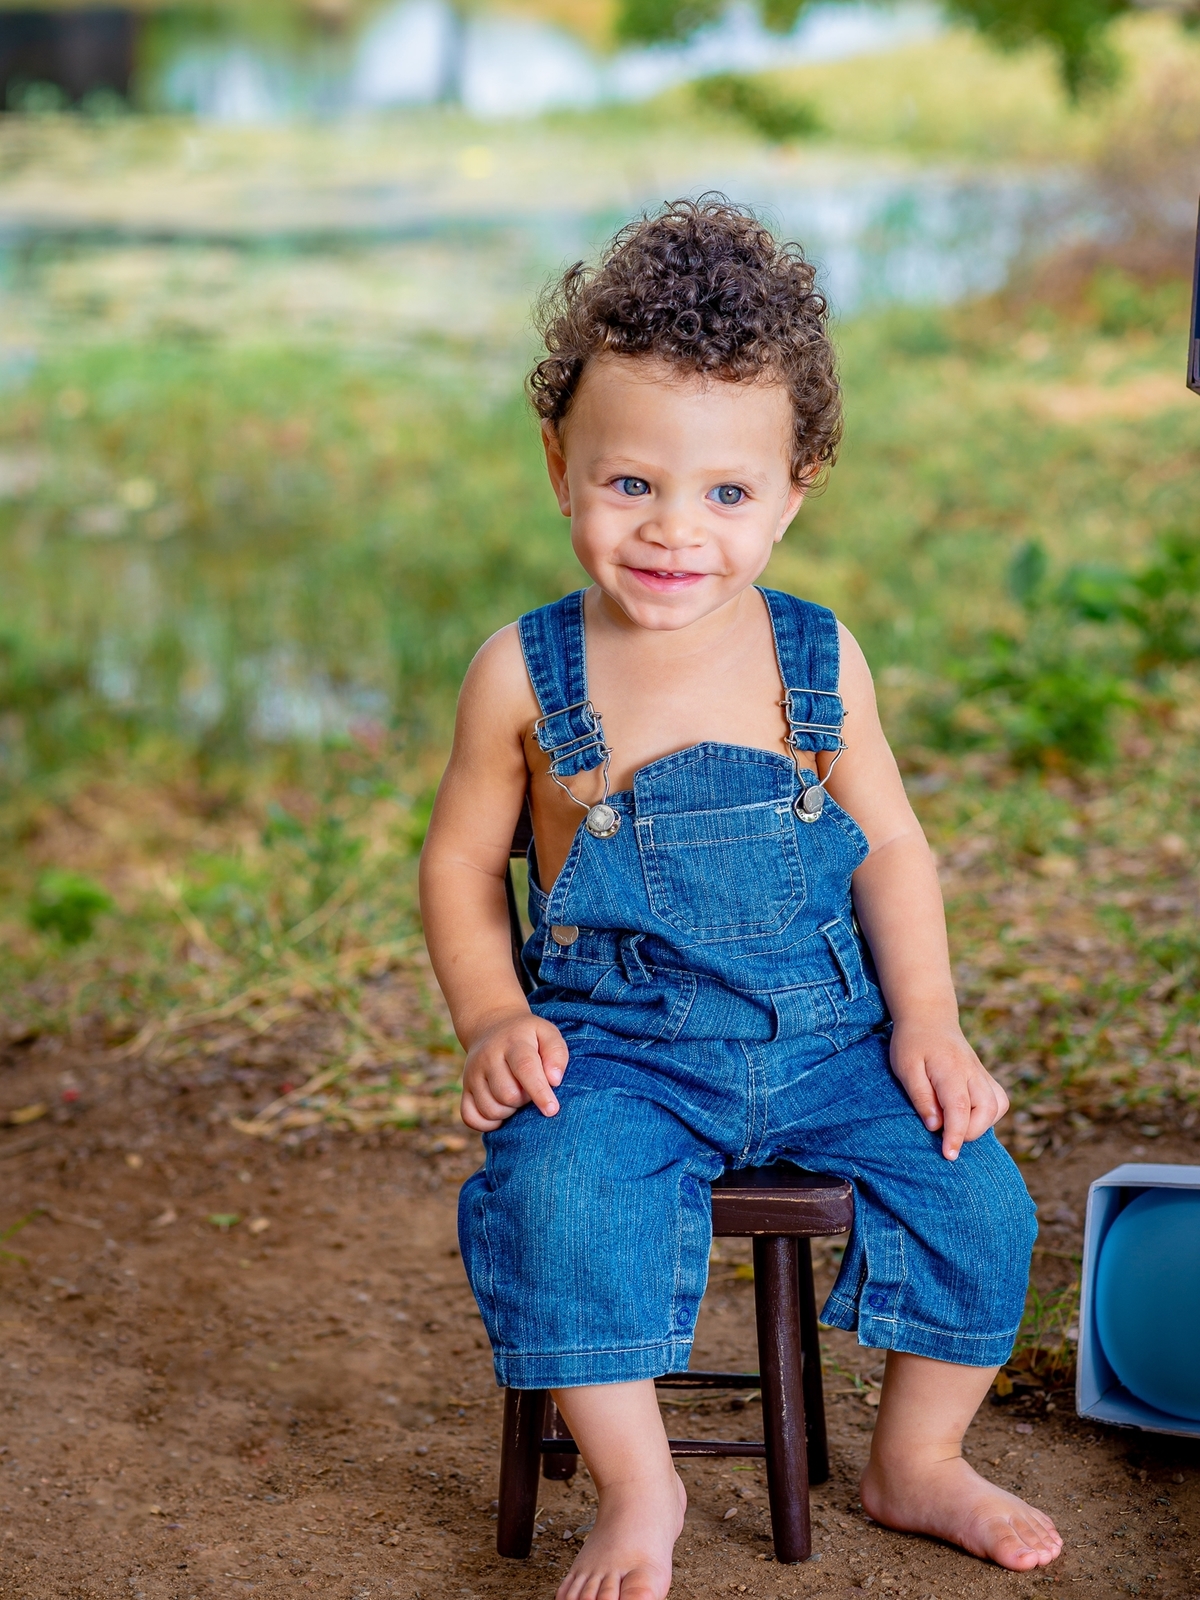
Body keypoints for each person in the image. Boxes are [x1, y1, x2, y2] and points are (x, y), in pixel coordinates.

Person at [419, 197, 1061, 1600]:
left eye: (725, 493)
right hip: (621, 1052)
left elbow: (890, 848)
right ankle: (639, 1494)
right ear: (559, 463)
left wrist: (930, 1025)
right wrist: (486, 1015)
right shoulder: (524, 674)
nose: (672, 531)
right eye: (628, 483)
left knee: (980, 1201)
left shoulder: (817, 660)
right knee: (560, 1195)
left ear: (794, 489)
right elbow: (463, 863)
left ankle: (918, 1461)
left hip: (832, 1040)